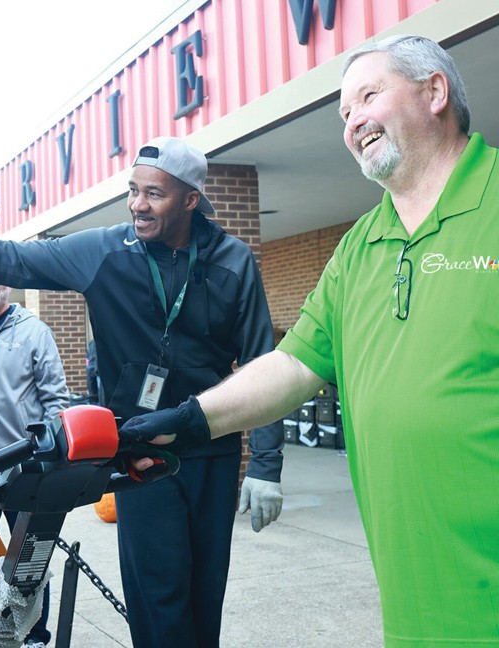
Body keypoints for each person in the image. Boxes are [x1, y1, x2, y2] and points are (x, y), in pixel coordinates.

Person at [119, 35, 499, 646]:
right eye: (344, 114)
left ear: (434, 92)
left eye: (368, 97)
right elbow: (293, 366)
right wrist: (183, 420)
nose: (352, 123)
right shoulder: (359, 245)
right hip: (418, 608)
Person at [0, 136, 284, 648]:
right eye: (133, 191)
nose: (138, 205)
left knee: (206, 597)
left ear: (190, 200)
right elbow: (10, 259)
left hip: (212, 448)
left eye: (155, 195)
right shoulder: (104, 252)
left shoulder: (234, 262)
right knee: (158, 603)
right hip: (141, 455)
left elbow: (262, 365)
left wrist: (267, 465)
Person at [0, 283, 69, 648]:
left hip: (24, 472)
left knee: (28, 564)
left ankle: (34, 638)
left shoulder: (33, 331)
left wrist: (52, 461)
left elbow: (56, 401)